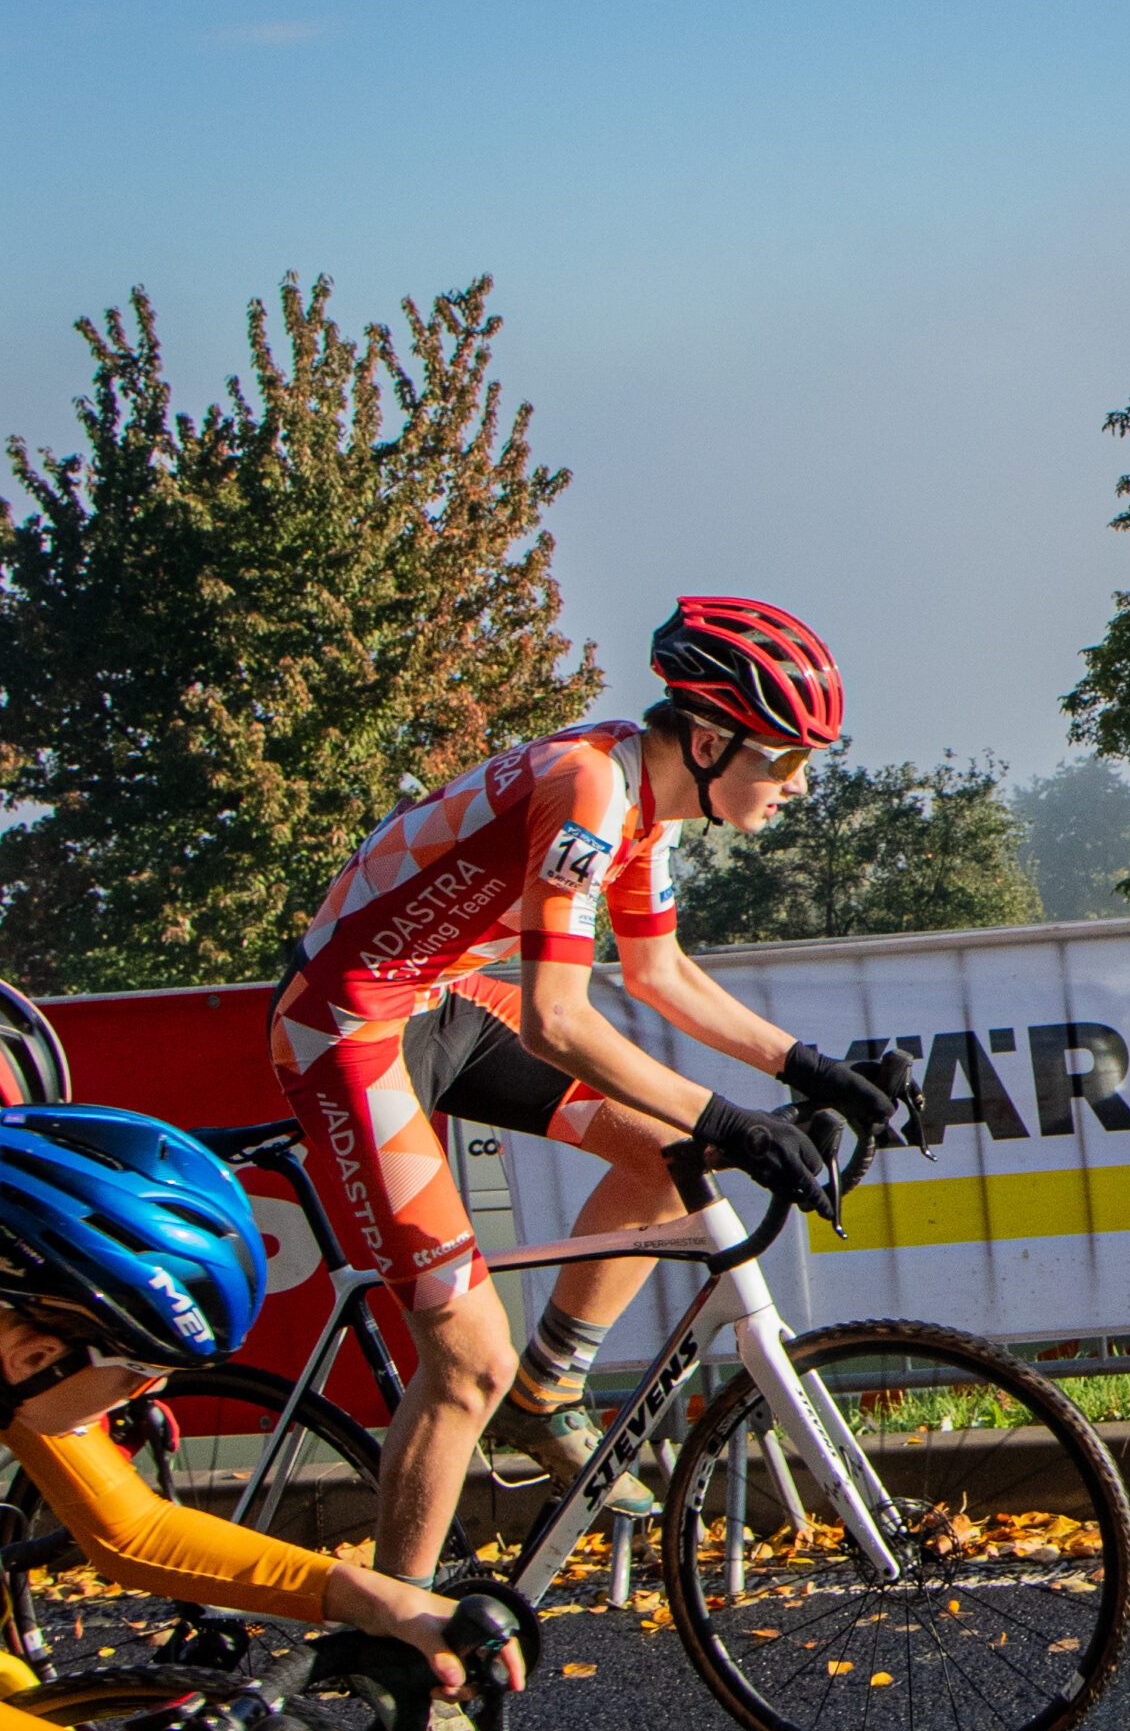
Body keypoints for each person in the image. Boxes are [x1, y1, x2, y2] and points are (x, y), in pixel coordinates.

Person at [270, 595, 906, 1595]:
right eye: (784, 757)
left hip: (437, 1000)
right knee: (466, 1363)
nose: (798, 783)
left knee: (671, 1159)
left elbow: (660, 974)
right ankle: (397, 1641)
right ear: (707, 742)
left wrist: (811, 1070)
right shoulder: (589, 786)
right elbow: (556, 1019)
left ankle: (548, 1387)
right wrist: (733, 1119)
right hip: (348, 1026)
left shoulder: (644, 796)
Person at [0, 1099, 523, 1731]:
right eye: (140, 1371)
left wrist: (374, 1597)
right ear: (36, 1357)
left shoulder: (16, 1353)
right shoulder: (20, 1348)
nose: (150, 1395)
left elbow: (133, 1532)